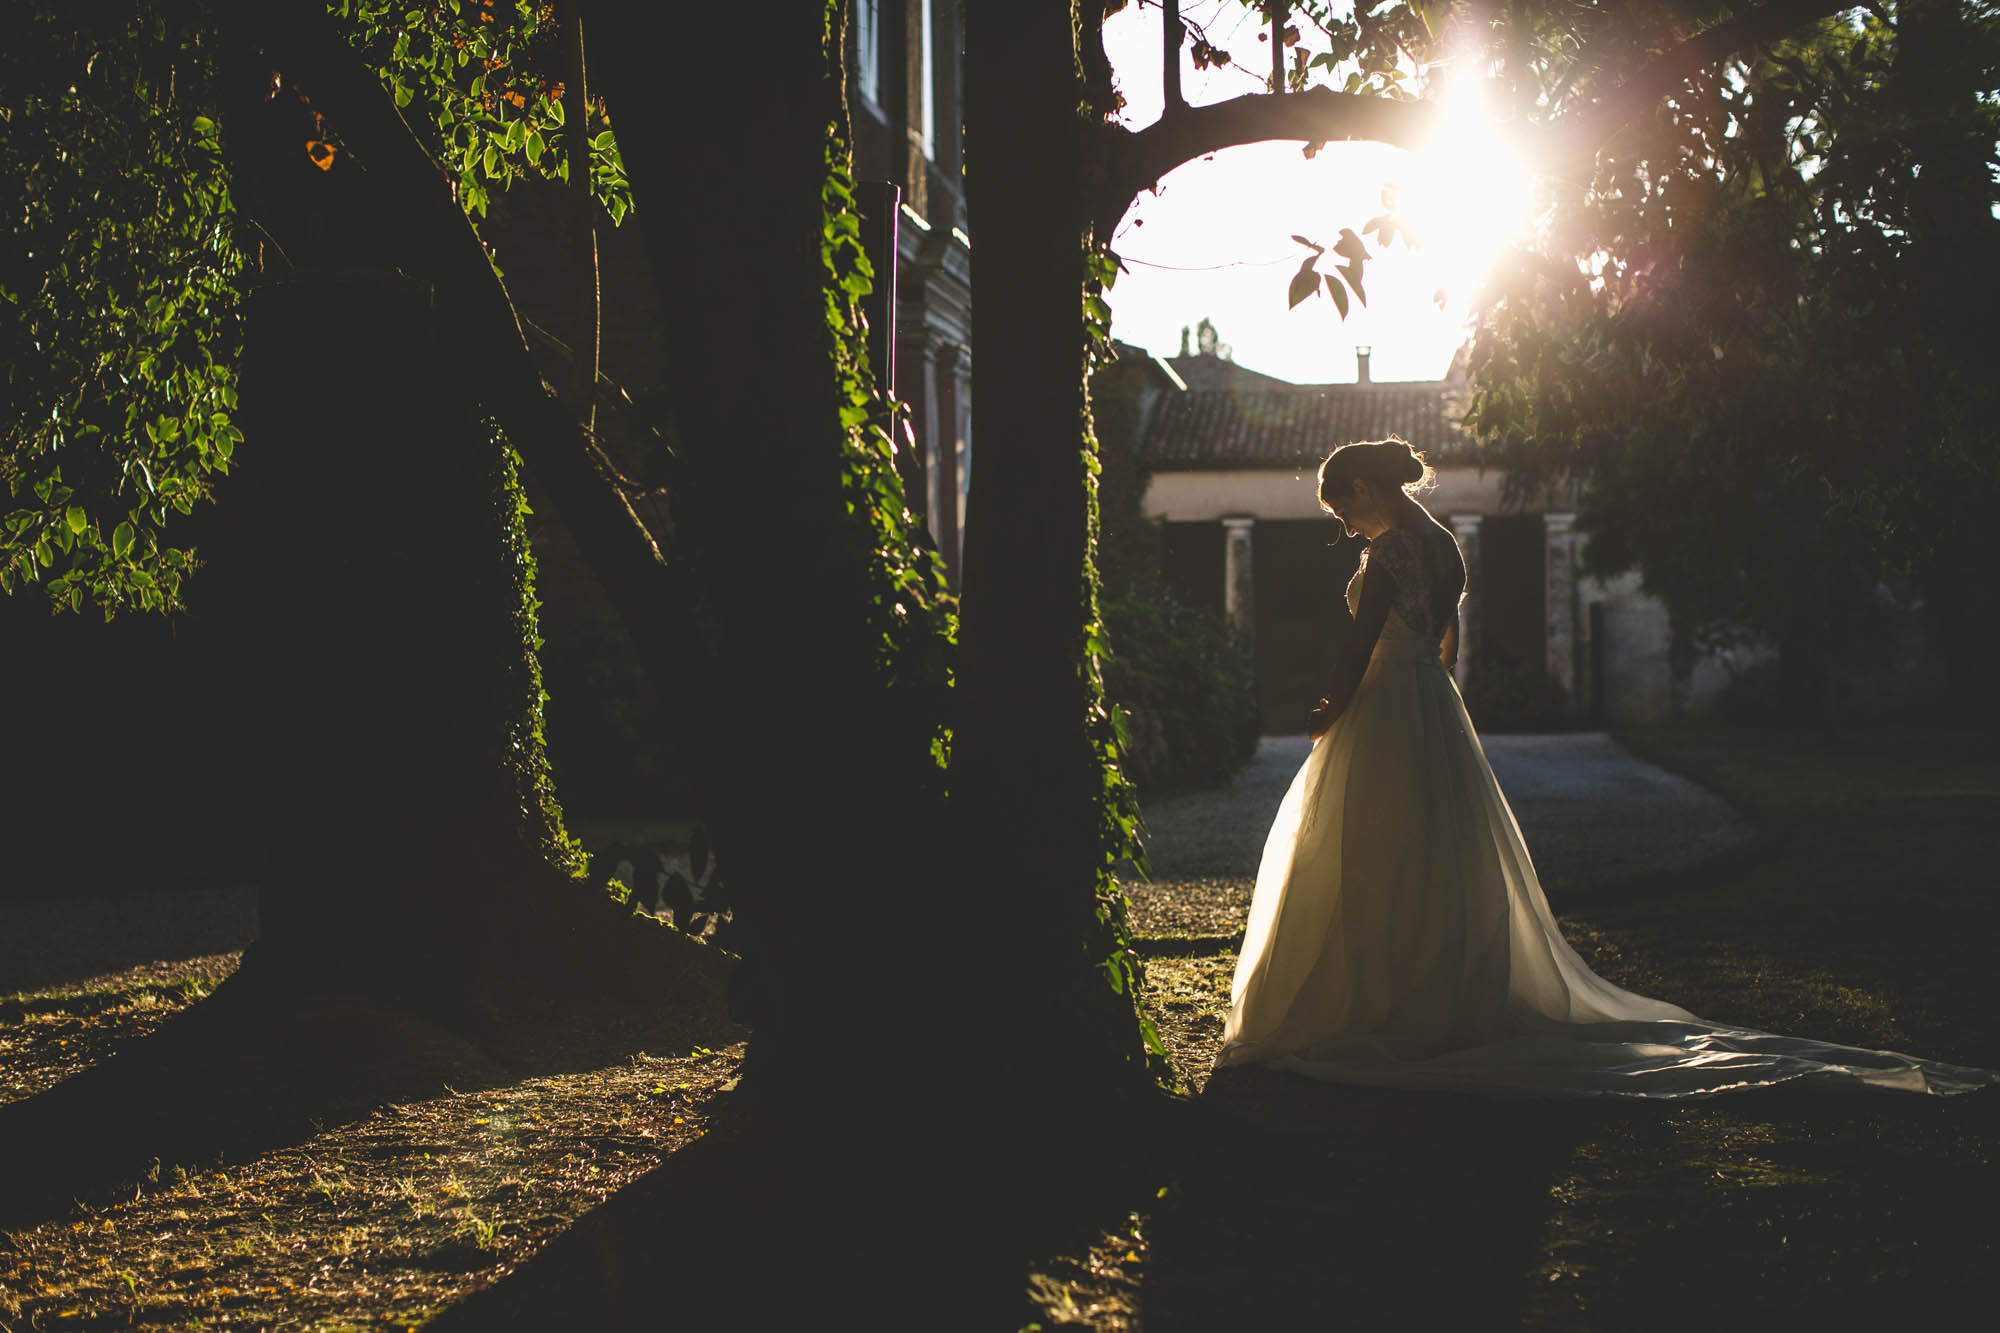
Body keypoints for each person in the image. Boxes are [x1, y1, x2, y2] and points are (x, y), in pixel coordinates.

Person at [1212, 438, 1994, 1097]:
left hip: (1386, 701)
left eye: (1341, 508)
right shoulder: (1446, 547)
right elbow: (1447, 644)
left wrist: (1333, 706)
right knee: (1437, 847)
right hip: (1431, 703)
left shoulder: (1388, 553)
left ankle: (1374, 1002)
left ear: (1361, 487)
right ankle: (1431, 993)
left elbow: (1357, 645)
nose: (1345, 525)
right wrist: (1425, 678)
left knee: (1366, 849)